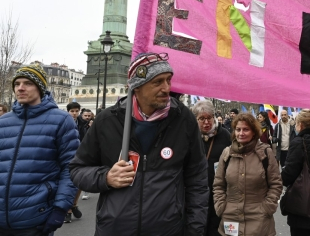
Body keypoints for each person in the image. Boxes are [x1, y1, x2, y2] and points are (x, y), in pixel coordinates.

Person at [69, 52, 209, 235]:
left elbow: (197, 180)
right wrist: (106, 177)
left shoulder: (184, 120)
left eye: (168, 80)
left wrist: (195, 231)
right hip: (115, 229)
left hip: (168, 230)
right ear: (137, 87)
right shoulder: (107, 121)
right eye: (157, 82)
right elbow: (77, 170)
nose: (166, 88)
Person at [0, 63, 79, 235]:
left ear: (40, 87)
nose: (20, 88)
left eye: (27, 83)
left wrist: (60, 208)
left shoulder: (62, 120)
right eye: (17, 83)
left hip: (36, 219)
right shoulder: (3, 122)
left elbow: (71, 168)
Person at [213, 113, 282, 236]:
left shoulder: (265, 153)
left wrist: (266, 208)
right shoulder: (227, 153)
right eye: (238, 129)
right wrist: (221, 206)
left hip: (259, 221)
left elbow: (276, 184)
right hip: (230, 218)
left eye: (246, 129)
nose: (241, 133)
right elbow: (218, 184)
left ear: (254, 132)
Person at [193, 101, 231, 236]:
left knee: (216, 228)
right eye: (202, 118)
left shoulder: (225, 135)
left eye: (209, 117)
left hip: (218, 191)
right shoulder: (191, 136)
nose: (206, 122)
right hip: (196, 191)